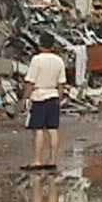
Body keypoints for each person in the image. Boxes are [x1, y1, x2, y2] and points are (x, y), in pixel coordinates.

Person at [22, 33, 66, 170]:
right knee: (53, 129)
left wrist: (26, 98)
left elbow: (30, 81)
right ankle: (52, 160)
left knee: (38, 129)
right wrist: (59, 98)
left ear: (40, 45)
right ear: (53, 46)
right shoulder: (59, 61)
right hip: (53, 96)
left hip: (39, 96)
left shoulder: (37, 60)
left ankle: (37, 160)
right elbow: (61, 84)